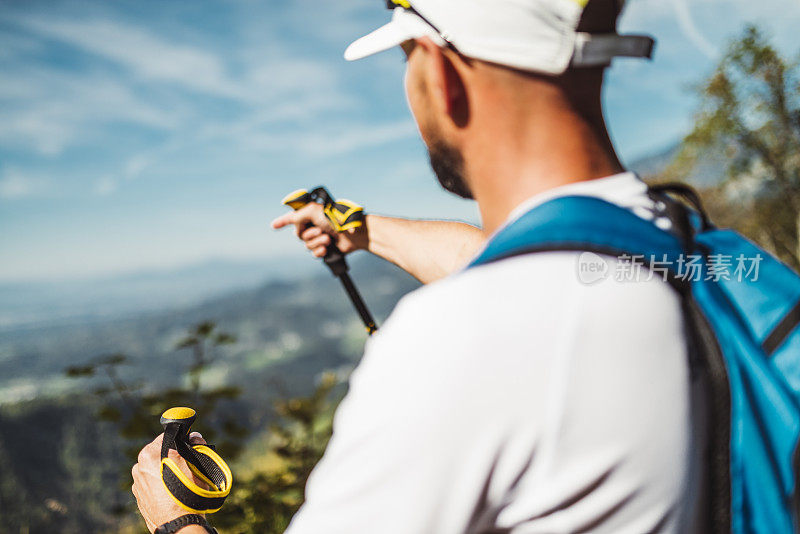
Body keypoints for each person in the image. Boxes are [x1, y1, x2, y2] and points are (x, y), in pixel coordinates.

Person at [132, 0, 707, 532]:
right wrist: (360, 230)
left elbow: (505, 292)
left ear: (440, 73)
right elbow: (498, 263)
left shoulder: (452, 339)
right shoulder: (696, 251)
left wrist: (175, 522)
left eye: (406, 60)